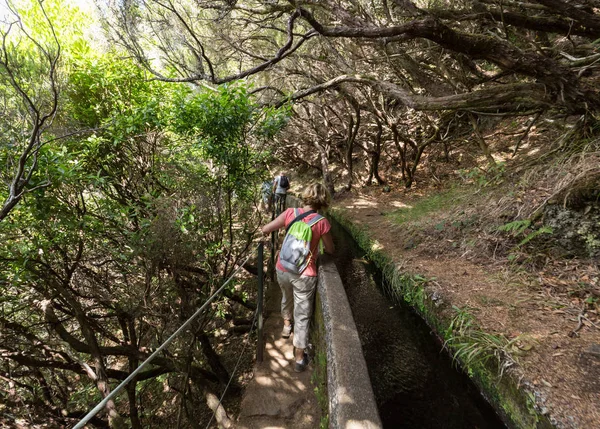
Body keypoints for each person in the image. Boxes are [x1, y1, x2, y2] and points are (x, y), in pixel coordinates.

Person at [261, 183, 335, 372]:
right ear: (323, 201)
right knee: (302, 316)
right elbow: (330, 249)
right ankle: (300, 359)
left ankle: (286, 326)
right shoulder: (322, 222)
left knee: (286, 297)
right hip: (304, 274)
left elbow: (266, 229)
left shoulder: (290, 213)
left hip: (282, 268)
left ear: (305, 196)